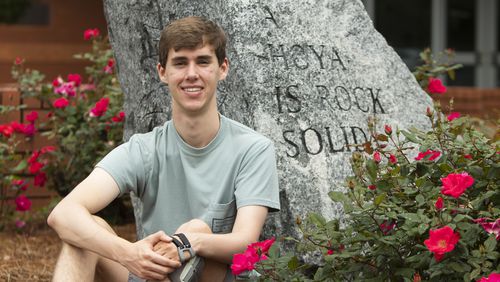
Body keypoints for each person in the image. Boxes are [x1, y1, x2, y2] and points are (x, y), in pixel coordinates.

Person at [47, 16, 280, 281]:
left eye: (203, 61)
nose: (192, 74)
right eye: (180, 63)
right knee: (84, 235)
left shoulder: (253, 149)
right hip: (152, 275)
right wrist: (128, 253)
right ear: (162, 72)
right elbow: (63, 214)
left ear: (222, 68)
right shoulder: (144, 150)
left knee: (198, 227)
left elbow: (245, 243)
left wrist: (190, 241)